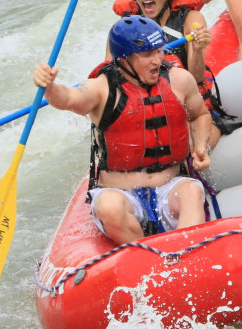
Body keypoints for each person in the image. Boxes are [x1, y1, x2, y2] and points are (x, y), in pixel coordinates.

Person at [33, 16, 212, 244]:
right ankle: (147, 259)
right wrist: (49, 86)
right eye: (147, 54)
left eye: (158, 50)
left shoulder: (180, 80)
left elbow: (200, 115)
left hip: (171, 187)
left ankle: (188, 256)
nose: (157, 60)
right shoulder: (101, 88)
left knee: (192, 192)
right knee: (109, 207)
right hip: (120, 194)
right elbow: (68, 98)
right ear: (124, 60)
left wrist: (200, 146)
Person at [108, 0, 241, 146]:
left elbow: (195, 79)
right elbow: (111, 77)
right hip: (146, 110)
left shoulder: (191, 20)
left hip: (190, 108)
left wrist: (196, 49)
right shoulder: (123, 30)